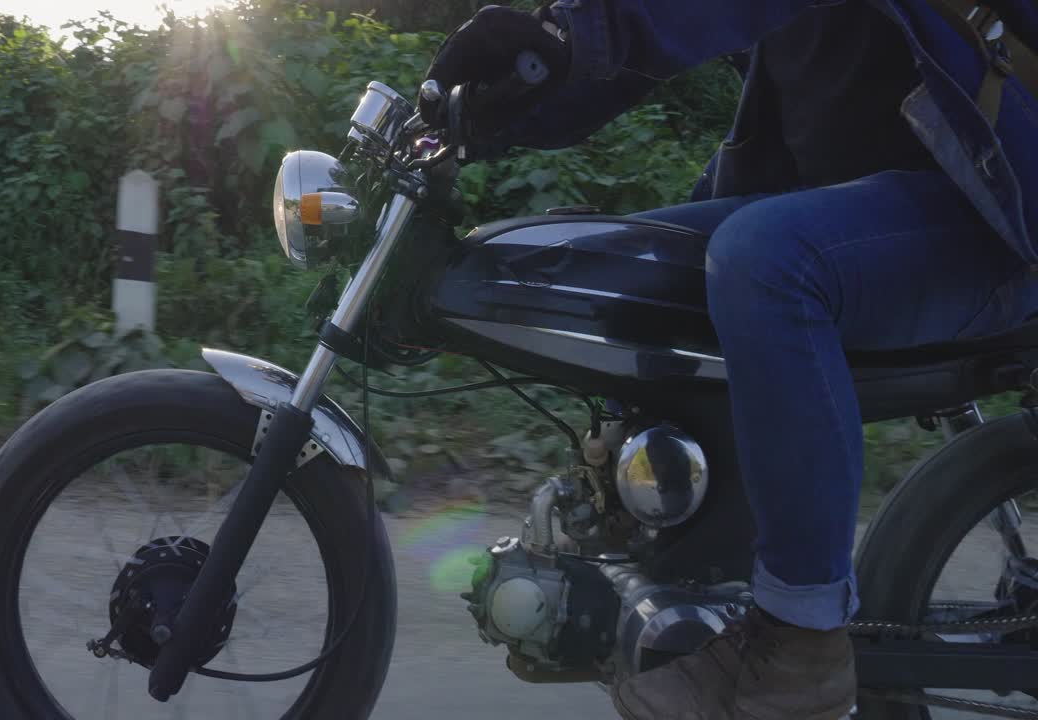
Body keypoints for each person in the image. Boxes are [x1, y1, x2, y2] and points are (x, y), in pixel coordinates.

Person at [422, 2, 1038, 719]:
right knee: (614, 256)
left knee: (764, 262)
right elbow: (619, 63)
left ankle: (802, 640)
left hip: (991, 208)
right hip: (867, 211)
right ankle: (674, 534)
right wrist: (488, 109)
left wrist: (571, 32)